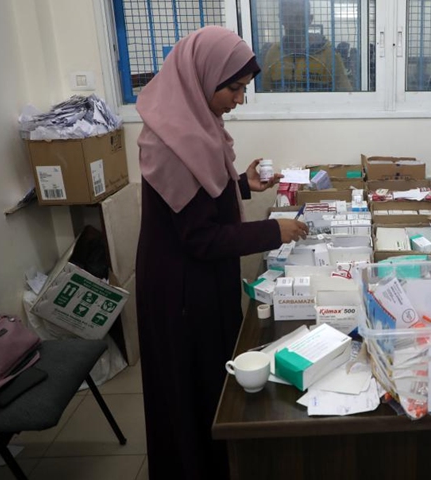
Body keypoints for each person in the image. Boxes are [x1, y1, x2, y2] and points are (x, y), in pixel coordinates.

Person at [135, 26, 308, 480]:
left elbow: (199, 199)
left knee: (213, 380)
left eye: (244, 88)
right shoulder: (170, 143)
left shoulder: (195, 126)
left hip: (199, 280)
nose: (239, 99)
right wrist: (274, 231)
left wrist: (241, 185)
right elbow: (201, 238)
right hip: (182, 293)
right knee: (193, 390)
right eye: (233, 88)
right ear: (201, 77)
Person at [261, 0, 353, 92]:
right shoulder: (274, 53)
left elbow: (346, 95)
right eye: (288, 17)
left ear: (310, 19)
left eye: (299, 18)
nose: (293, 24)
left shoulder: (329, 55)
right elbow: (261, 95)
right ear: (281, 19)